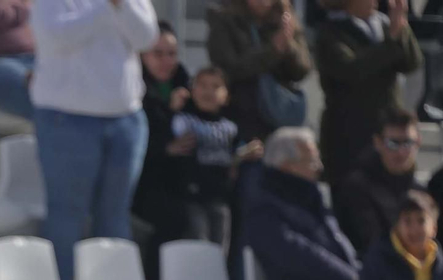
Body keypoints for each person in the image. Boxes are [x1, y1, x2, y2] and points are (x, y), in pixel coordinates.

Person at [31, 0, 160, 280]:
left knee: (115, 215)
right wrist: (106, 8)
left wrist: (121, 5)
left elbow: (146, 38)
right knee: (67, 215)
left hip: (125, 119)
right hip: (66, 118)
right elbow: (55, 37)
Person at [245, 128, 361, 280]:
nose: (319, 167)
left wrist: (359, 274)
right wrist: (351, 279)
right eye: (311, 161)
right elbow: (296, 253)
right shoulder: (264, 204)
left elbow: (336, 241)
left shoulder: (312, 195)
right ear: (287, 165)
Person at [315, 0, 422, 189]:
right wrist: (391, 41)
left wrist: (401, 26)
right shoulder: (330, 31)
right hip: (349, 134)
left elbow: (411, 62)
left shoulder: (383, 24)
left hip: (387, 130)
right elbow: (352, 70)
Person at [133, 23, 194, 280]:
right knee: (175, 217)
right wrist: (169, 118)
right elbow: (142, 141)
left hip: (183, 180)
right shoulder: (134, 88)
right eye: (158, 53)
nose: (166, 61)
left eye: (171, 53)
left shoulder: (187, 85)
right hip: (144, 182)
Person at [169, 67, 258, 249]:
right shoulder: (182, 121)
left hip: (220, 197)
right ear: (192, 90)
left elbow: (236, 155)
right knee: (199, 243)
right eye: (202, 85)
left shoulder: (231, 128)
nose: (208, 91)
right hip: (191, 197)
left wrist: (247, 154)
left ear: (226, 95)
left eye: (216, 86)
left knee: (220, 247)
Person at [206, 0, 313, 148]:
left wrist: (288, 45)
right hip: (242, 118)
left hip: (279, 117)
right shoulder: (226, 20)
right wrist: (273, 51)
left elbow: (302, 70)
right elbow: (228, 68)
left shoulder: (285, 18)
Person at [335, 107, 425, 255]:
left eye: (408, 143)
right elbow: (371, 241)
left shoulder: (420, 191)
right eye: (393, 143)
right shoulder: (356, 187)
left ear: (418, 143)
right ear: (378, 142)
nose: (401, 152)